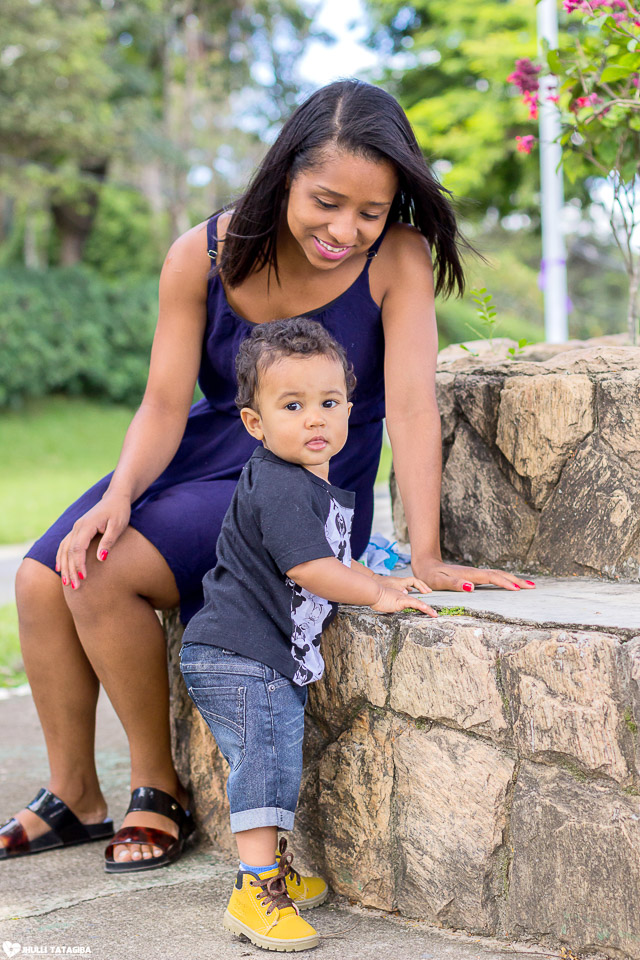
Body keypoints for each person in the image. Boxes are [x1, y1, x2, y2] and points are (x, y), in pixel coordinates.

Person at [0, 78, 535, 870]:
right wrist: (118, 495)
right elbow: (163, 404)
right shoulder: (201, 254)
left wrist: (426, 554)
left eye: (370, 211)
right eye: (326, 202)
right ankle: (75, 793)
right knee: (42, 577)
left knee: (101, 573)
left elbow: (414, 408)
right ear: (285, 174)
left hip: (303, 481)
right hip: (210, 448)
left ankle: (157, 790)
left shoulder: (397, 258)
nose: (344, 230)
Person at [180, 316, 437, 952]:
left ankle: (271, 873)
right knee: (264, 765)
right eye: (292, 406)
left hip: (250, 650)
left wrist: (381, 577)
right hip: (242, 652)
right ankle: (254, 889)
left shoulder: (304, 480)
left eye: (328, 402)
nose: (314, 418)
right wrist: (375, 594)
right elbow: (310, 569)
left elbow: (333, 558)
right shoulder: (281, 485)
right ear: (255, 423)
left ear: (350, 408)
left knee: (271, 759)